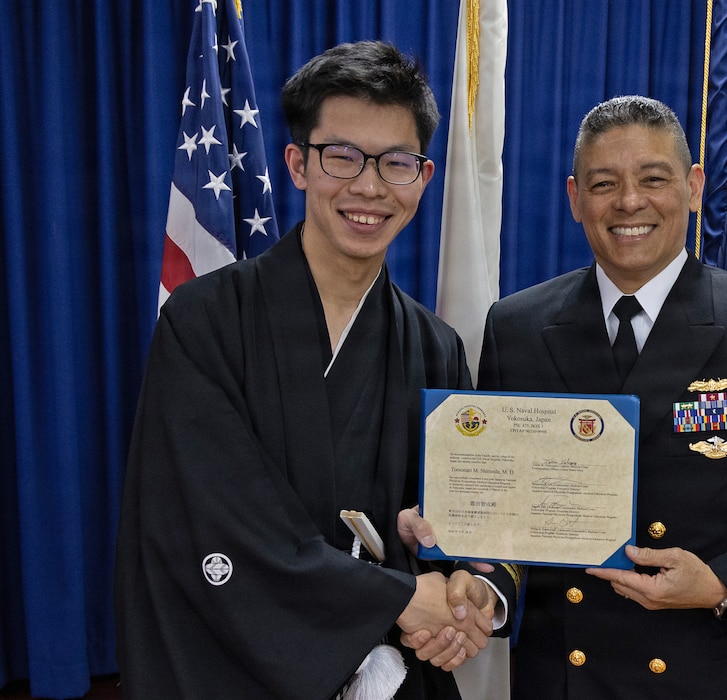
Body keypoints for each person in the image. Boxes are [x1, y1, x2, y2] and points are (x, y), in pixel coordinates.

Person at [115, 41, 517, 700]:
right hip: (236, 670)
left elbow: (458, 522)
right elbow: (208, 520)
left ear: (424, 177)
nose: (369, 187)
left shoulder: (435, 347)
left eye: (396, 162)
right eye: (342, 156)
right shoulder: (205, 321)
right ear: (298, 165)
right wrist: (395, 597)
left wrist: (464, 587)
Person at [441, 95, 727, 697]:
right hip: (563, 675)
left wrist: (725, 582)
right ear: (574, 198)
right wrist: (487, 587)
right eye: (604, 183)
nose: (629, 202)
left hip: (712, 670)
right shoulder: (515, 327)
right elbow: (505, 507)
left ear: (693, 187)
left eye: (653, 179)